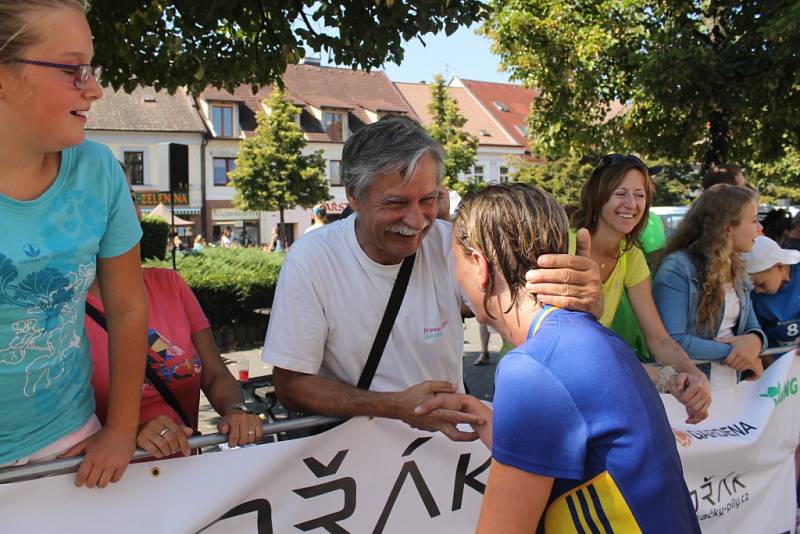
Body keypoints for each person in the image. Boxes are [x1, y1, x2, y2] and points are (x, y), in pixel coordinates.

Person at [262, 115, 603, 440]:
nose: (416, 221)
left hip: (449, 458)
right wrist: (395, 407)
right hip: (355, 467)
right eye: (396, 203)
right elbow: (291, 385)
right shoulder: (312, 260)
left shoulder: (451, 244)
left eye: (428, 199)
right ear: (353, 196)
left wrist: (576, 312)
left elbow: (518, 318)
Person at [416, 183, 700, 533]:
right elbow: (581, 455)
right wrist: (489, 420)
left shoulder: (531, 369)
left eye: (455, 263)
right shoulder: (595, 337)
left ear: (479, 266)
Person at [0, 0, 147, 488]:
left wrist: (122, 430)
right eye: (72, 69)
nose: (96, 88)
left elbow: (127, 307)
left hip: (70, 445)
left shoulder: (98, 172)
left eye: (91, 67)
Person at [86, 194, 263, 458]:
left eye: (129, 199)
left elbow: (214, 374)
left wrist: (235, 410)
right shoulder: (60, 307)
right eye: (106, 197)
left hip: (183, 477)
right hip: (106, 483)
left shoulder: (169, 285)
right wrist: (126, 433)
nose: (121, 210)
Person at [571, 154, 710, 420]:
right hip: (543, 383)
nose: (631, 204)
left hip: (587, 385)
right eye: (620, 193)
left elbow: (658, 339)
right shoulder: (566, 245)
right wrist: (667, 378)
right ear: (598, 197)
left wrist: (694, 376)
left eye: (639, 195)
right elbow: (575, 347)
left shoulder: (630, 255)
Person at [653, 184, 767, 377]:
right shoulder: (677, 268)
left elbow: (752, 327)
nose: (760, 228)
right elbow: (671, 341)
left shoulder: (737, 268)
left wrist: (755, 341)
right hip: (691, 390)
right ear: (728, 226)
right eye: (754, 220)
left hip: (732, 387)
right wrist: (737, 353)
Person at [742, 236, 800, 349]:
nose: (757, 290)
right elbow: (759, 338)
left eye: (761, 284)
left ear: (779, 267)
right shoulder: (755, 299)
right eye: (752, 287)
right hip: (780, 360)